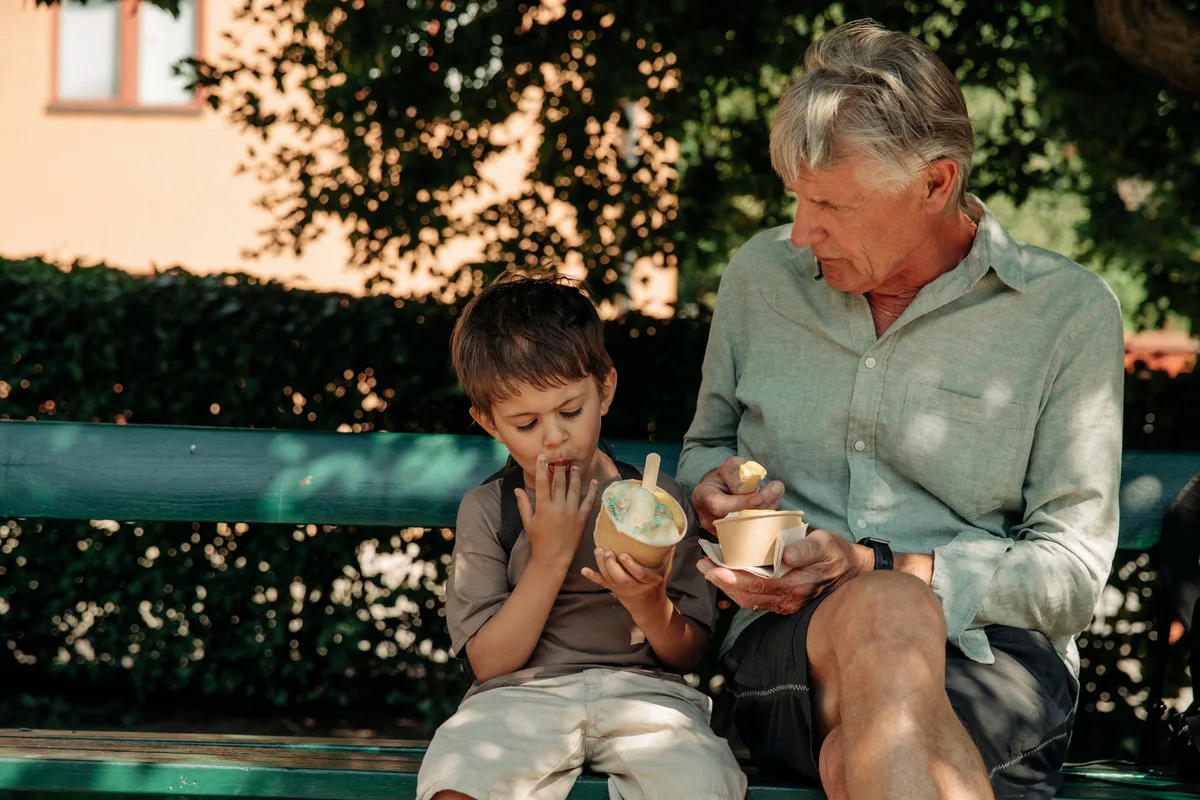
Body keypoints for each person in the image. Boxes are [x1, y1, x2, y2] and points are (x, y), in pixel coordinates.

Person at [677, 19, 1125, 800]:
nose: (800, 231)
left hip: (994, 662)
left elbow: (1072, 577)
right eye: (797, 199)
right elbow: (704, 447)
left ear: (935, 182)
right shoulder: (760, 279)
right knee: (882, 618)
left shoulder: (1067, 313)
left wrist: (887, 568)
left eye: (832, 205)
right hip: (787, 649)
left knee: (865, 746)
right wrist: (710, 491)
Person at [416, 274, 746, 800]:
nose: (554, 436)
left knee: (701, 784)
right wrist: (549, 556)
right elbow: (489, 663)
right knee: (459, 781)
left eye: (570, 411)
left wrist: (648, 600)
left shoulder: (661, 504)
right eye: (525, 422)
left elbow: (687, 655)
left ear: (606, 390)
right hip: (517, 699)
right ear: (488, 423)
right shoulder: (490, 510)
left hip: (650, 700)